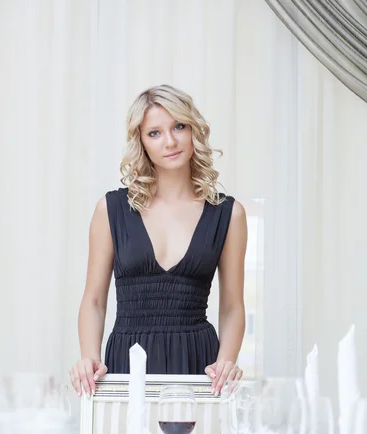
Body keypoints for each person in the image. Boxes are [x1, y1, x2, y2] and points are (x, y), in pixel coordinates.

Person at [70, 84, 247, 398]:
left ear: (194, 131)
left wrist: (226, 362)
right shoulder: (110, 209)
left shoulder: (228, 214)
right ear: (141, 141)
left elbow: (232, 306)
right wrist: (89, 357)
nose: (170, 141)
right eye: (155, 133)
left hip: (199, 362)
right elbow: (94, 300)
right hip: (127, 358)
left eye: (179, 126)